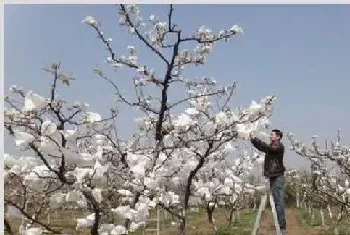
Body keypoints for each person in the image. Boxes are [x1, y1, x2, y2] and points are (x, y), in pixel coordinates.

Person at [250, 129, 286, 235]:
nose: (271, 136)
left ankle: (282, 228)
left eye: (272, 135)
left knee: (278, 202)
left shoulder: (279, 146)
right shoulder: (272, 146)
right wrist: (253, 140)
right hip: (273, 176)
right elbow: (263, 147)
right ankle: (281, 227)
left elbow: (266, 148)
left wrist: (255, 138)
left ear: (278, 137)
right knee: (276, 201)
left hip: (278, 176)